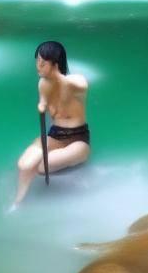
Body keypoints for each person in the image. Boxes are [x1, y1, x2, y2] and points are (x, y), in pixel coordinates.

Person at [10, 41, 90, 208]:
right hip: (55, 135)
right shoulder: (43, 84)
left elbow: (83, 85)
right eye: (37, 60)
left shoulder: (74, 81)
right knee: (24, 165)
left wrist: (57, 76)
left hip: (78, 140)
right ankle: (18, 201)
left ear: (55, 63)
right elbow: (43, 102)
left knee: (41, 167)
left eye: (42, 62)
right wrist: (42, 105)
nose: (37, 65)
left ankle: (29, 199)